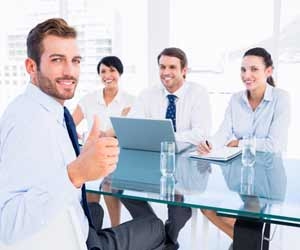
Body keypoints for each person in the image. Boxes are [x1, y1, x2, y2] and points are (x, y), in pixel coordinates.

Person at [0, 18, 165, 250]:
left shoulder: (52, 111)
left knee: (96, 210)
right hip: (74, 242)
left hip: (76, 225)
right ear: (31, 66)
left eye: (75, 61)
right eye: (57, 60)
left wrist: (81, 158)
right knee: (155, 227)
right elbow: (7, 226)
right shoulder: (25, 122)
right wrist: (75, 174)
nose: (69, 71)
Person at [121, 47, 212, 250]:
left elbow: (201, 132)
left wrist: (165, 139)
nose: (166, 72)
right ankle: (154, 227)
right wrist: (159, 141)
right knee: (114, 184)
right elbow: (135, 125)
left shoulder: (197, 93)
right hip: (154, 160)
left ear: (184, 70)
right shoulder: (147, 94)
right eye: (162, 67)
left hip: (186, 164)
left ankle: (167, 238)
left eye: (172, 67)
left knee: (177, 200)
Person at [198, 47, 290, 245]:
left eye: (254, 69)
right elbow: (224, 131)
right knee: (206, 206)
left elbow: (276, 144)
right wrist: (209, 143)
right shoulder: (236, 99)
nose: (246, 75)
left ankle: (245, 242)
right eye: (243, 69)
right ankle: (245, 242)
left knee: (246, 222)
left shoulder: (281, 99)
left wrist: (240, 143)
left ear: (268, 71)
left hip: (268, 180)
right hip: (240, 178)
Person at [72, 56, 134, 227]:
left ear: (119, 73)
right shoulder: (89, 99)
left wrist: (106, 134)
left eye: (112, 70)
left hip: (118, 157)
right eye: (103, 71)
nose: (108, 75)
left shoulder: (130, 101)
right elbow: (70, 124)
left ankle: (115, 228)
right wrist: (78, 135)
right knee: (91, 192)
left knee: (108, 186)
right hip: (92, 154)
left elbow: (126, 130)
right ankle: (93, 232)